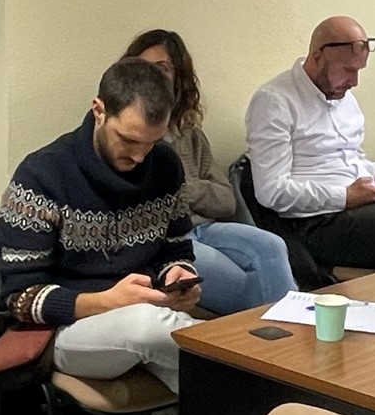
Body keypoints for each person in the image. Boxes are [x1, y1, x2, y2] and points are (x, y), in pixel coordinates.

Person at [0, 57, 201, 391]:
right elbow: (21, 298)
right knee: (153, 329)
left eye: (151, 143)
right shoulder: (41, 176)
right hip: (67, 329)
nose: (139, 157)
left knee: (208, 381)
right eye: (128, 140)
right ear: (99, 111)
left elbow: (175, 247)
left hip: (148, 312)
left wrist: (178, 273)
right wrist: (109, 300)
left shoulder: (165, 166)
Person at [243, 17, 375, 272]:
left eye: (359, 70)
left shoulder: (344, 98)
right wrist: (344, 197)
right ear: (316, 57)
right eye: (348, 70)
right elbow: (272, 191)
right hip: (319, 224)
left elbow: (352, 158)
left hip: (361, 212)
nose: (354, 81)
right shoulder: (274, 102)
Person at [125, 30, 297, 314]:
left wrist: (182, 186)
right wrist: (189, 189)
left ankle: (290, 328)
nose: (149, 76)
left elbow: (225, 201)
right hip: (168, 241)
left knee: (272, 246)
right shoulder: (128, 134)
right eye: (141, 67)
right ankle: (290, 334)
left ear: (177, 78)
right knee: (248, 286)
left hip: (206, 228)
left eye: (161, 68)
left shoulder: (188, 133)